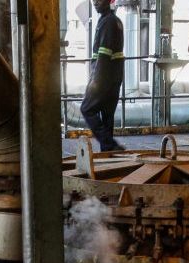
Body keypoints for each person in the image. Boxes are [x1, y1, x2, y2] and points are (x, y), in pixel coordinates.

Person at [80, 0, 125, 152]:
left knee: (86, 109)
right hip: (115, 77)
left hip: (103, 78)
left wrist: (95, 82)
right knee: (107, 116)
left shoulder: (107, 22)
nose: (95, 2)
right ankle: (109, 154)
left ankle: (109, 145)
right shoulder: (116, 21)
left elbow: (104, 55)